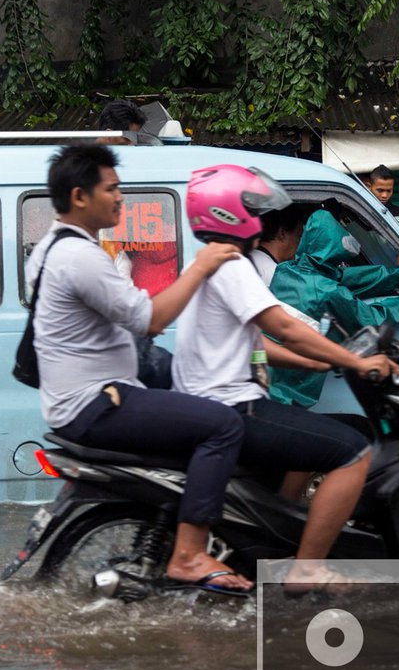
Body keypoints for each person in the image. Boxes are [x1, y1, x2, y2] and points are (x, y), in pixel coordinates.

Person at [30, 143, 251, 592]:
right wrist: (202, 265)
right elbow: (151, 319)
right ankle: (188, 556)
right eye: (112, 189)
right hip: (97, 403)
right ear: (79, 196)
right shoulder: (81, 257)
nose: (120, 198)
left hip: (88, 396)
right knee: (224, 425)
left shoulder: (53, 248)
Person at [173, 164, 395, 593]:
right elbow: (289, 328)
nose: (263, 218)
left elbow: (255, 341)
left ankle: (274, 534)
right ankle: (306, 569)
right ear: (229, 214)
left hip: (215, 399)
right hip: (234, 405)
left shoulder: (212, 262)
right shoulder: (234, 266)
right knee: (352, 451)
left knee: (309, 439)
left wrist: (313, 363)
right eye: (254, 208)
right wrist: (356, 363)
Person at [269, 210, 399, 408]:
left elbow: (345, 277)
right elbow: (371, 320)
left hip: (269, 381)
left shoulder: (287, 271)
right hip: (286, 395)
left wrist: (397, 274)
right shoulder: (327, 291)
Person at [249, 203, 308, 285]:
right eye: (299, 236)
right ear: (282, 233)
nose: (299, 243)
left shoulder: (245, 258)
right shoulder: (274, 275)